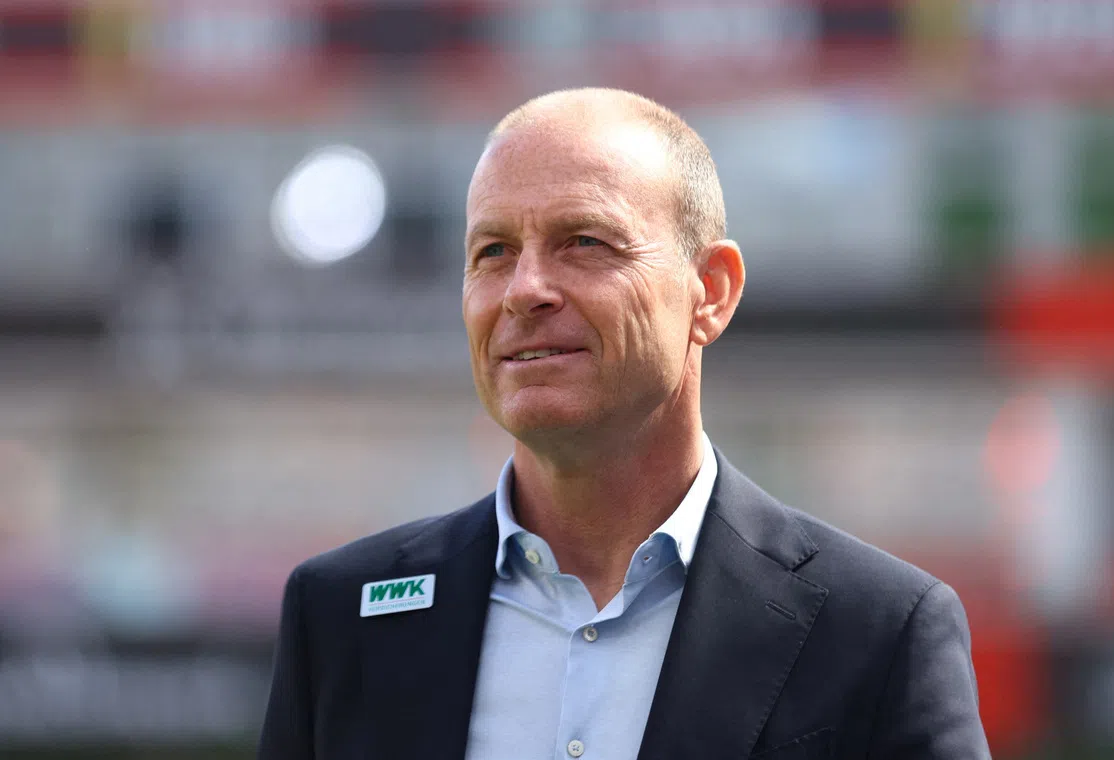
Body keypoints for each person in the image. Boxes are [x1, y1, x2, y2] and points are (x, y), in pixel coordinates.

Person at [258, 88, 990, 759]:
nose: (525, 290)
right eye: (493, 251)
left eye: (585, 242)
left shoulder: (881, 632)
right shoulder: (338, 617)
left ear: (711, 292)